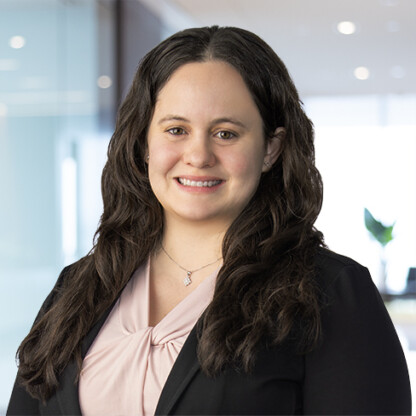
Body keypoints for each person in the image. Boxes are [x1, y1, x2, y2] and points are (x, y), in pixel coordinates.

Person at [7, 26, 411, 415]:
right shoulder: (78, 287)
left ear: (271, 148)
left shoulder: (330, 294)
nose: (198, 155)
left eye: (226, 134)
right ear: (144, 143)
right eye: (177, 129)